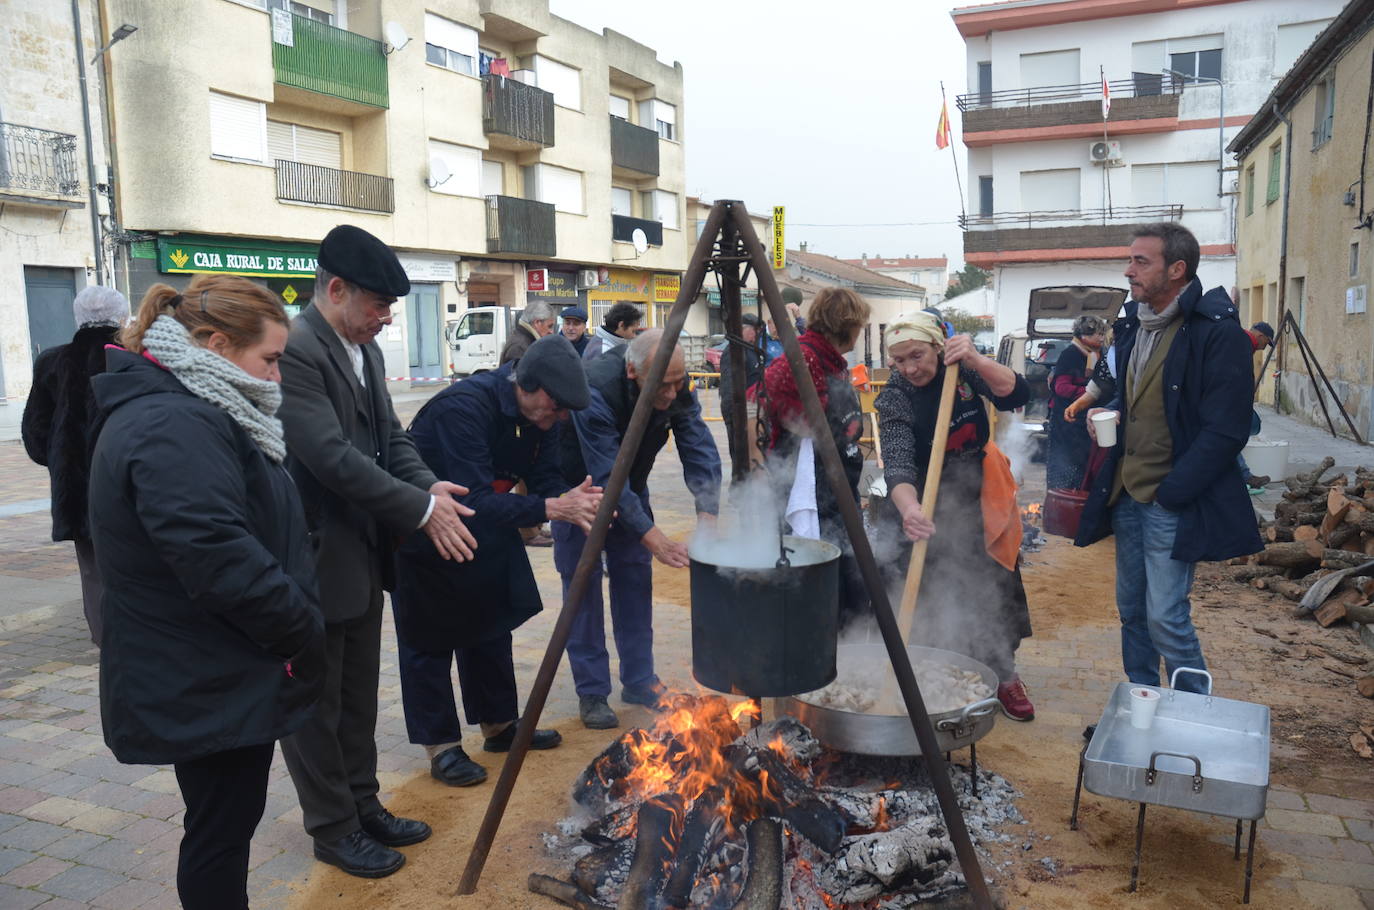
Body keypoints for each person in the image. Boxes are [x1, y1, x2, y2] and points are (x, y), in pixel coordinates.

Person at [87, 276, 325, 908]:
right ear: (215, 343)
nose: (276, 378)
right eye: (270, 359)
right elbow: (218, 557)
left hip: (211, 666)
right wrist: (302, 630)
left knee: (224, 828)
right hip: (203, 673)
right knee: (219, 835)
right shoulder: (174, 422)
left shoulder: (196, 405)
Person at [277, 225, 478, 879]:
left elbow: (391, 437)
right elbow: (328, 456)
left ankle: (363, 806)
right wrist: (420, 510)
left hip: (360, 556)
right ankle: (332, 828)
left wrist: (427, 488)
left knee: (359, 696)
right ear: (335, 290)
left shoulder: (360, 349)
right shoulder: (298, 349)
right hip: (311, 557)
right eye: (378, 305)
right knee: (317, 704)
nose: (387, 318)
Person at [392, 335, 601, 786]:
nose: (560, 419)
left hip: (487, 529)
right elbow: (476, 499)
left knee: (490, 625)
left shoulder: (544, 421)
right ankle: (441, 746)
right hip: (430, 529)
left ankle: (499, 725)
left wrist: (569, 498)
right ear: (535, 389)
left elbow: (543, 477)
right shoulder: (463, 409)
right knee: (429, 641)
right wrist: (549, 509)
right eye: (558, 407)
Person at [1077, 223, 1262, 694]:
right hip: (1127, 495)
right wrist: (1112, 409)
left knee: (1167, 620)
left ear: (1177, 269)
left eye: (1141, 262)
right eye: (1130, 260)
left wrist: (1173, 492)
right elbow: (1143, 398)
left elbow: (1228, 428)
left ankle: (1192, 717)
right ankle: (1144, 708)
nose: (1128, 270)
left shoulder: (1216, 334)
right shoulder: (1136, 325)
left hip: (1169, 499)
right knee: (1133, 613)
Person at [555, 329, 722, 729]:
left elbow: (697, 444)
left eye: (678, 382)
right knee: (582, 588)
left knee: (634, 581)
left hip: (633, 484)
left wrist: (709, 517)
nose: (671, 393)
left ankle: (640, 679)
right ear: (632, 372)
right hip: (581, 490)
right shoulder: (593, 389)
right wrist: (655, 538)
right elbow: (609, 475)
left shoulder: (677, 385)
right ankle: (592, 691)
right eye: (662, 385)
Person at [875, 312, 1036, 720]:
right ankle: (934, 675)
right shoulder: (895, 395)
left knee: (993, 585)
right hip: (921, 505)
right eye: (899, 360)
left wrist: (977, 360)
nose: (910, 368)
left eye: (917, 355)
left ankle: (1003, 675)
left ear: (936, 346)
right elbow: (897, 464)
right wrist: (910, 509)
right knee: (927, 593)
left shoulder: (960, 371)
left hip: (977, 493)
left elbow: (1016, 395)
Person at [22, 285, 129, 645]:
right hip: (131, 482)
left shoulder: (51, 362)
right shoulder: (134, 356)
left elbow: (36, 436)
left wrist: (61, 460)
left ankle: (107, 640)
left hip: (77, 490)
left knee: (93, 569)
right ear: (122, 317)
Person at [761, 288, 870, 627]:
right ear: (847, 326)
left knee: (848, 573)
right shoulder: (805, 357)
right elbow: (763, 396)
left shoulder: (831, 360)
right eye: (860, 325)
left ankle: (844, 650)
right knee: (821, 574)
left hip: (840, 486)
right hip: (813, 488)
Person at [1046, 315, 1107, 490]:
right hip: (1066, 423)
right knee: (1066, 467)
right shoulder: (1070, 354)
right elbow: (1061, 387)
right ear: (1084, 336)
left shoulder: (1099, 355)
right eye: (1098, 334)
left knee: (1087, 468)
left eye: (1103, 334)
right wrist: (1092, 394)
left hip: (1086, 422)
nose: (1102, 338)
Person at [717, 312, 766, 470]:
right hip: (740, 413)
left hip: (754, 412)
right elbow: (728, 387)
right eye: (755, 331)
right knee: (741, 459)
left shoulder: (750, 350)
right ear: (745, 329)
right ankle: (739, 491)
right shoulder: (733, 351)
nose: (758, 335)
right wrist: (736, 416)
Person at [1238, 321, 1276, 488]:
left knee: (1228, 442)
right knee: (1228, 440)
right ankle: (1246, 476)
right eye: (1266, 343)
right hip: (1229, 403)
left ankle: (1245, 476)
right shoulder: (1242, 343)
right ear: (1260, 336)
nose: (1264, 347)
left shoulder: (1243, 343)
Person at [500, 300, 555, 365]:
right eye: (550, 326)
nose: (551, 332)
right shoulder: (519, 347)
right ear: (537, 323)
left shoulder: (523, 341)